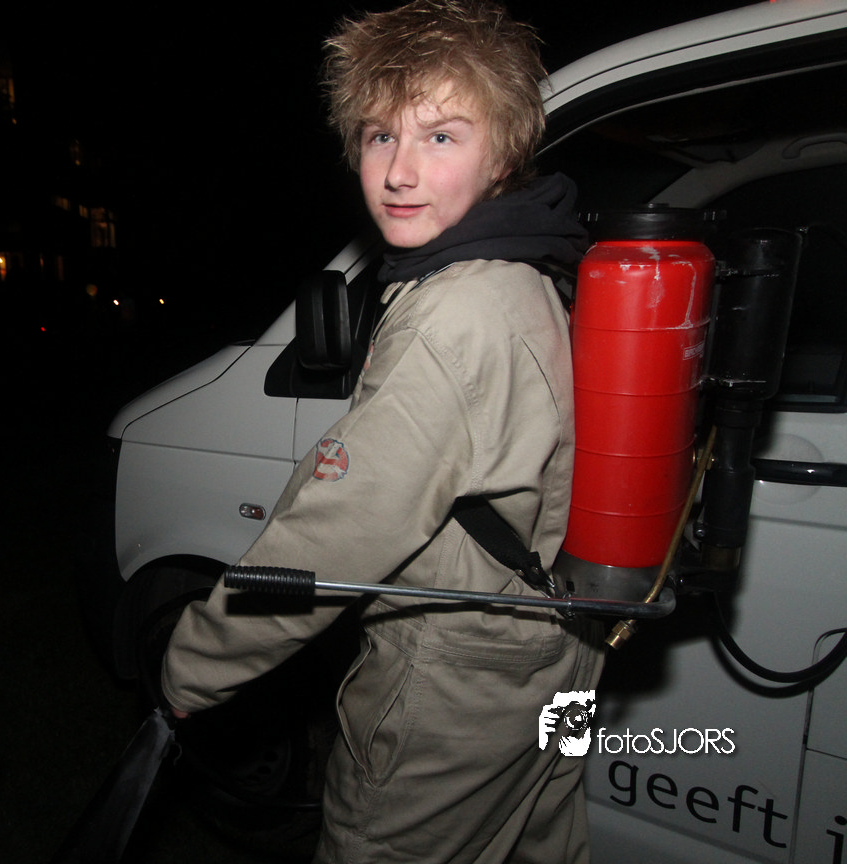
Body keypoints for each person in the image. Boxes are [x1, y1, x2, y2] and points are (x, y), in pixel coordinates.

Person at [160, 2, 604, 862]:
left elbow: (335, 536)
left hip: (462, 686)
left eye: (440, 136)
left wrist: (195, 665)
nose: (400, 171)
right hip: (560, 652)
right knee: (541, 845)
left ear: (503, 153)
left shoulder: (454, 315)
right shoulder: (533, 267)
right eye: (379, 136)